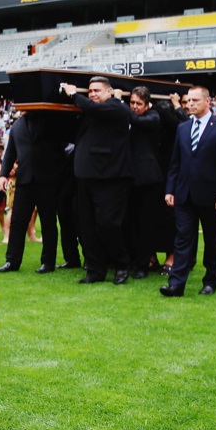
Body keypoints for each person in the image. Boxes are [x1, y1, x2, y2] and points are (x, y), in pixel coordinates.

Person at [162, 86, 216, 297]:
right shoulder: (183, 129)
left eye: (195, 100)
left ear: (207, 102)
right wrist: (170, 189)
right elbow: (175, 162)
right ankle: (176, 284)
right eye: (188, 101)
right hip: (184, 195)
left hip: (211, 196)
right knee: (183, 239)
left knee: (212, 240)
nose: (190, 104)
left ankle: (210, 281)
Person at [61, 77, 134, 285]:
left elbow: (95, 109)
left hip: (110, 177)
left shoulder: (116, 108)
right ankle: (95, 269)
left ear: (109, 92)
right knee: (87, 226)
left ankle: (121, 263)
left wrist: (74, 95)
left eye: (97, 90)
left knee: (108, 224)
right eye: (90, 91)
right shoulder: (89, 112)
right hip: (85, 176)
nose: (92, 94)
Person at [0, 111, 63, 274]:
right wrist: (3, 175)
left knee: (48, 223)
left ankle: (48, 262)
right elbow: (10, 152)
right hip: (24, 180)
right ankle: (12, 261)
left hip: (47, 180)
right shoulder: (17, 126)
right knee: (17, 222)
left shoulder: (48, 120)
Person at [125, 87, 165, 278]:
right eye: (131, 103)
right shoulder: (129, 119)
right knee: (130, 222)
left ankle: (144, 264)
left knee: (145, 223)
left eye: (138, 104)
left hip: (148, 179)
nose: (134, 107)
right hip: (129, 177)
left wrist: (120, 103)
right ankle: (134, 260)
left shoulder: (153, 116)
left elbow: (136, 121)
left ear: (147, 104)